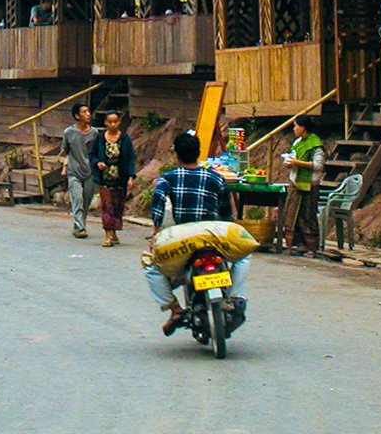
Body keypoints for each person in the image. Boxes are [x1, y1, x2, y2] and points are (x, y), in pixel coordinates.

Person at [145, 131, 249, 336]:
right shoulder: (215, 177)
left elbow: (158, 199)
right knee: (243, 258)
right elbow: (226, 211)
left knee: (151, 267)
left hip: (182, 237)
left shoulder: (169, 177)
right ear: (198, 153)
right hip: (212, 234)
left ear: (178, 155)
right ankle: (235, 296)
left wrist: (156, 230)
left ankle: (175, 310)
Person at [89, 111, 136, 247]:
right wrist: (98, 163)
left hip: (120, 178)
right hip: (104, 178)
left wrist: (131, 177)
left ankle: (114, 232)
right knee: (107, 206)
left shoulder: (125, 139)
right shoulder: (99, 138)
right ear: (105, 123)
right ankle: (108, 236)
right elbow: (92, 155)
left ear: (119, 123)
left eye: (115, 122)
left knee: (117, 206)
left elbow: (130, 159)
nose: (113, 124)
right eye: (110, 122)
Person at [282, 115, 326, 256]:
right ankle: (299, 244)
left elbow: (318, 166)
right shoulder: (297, 143)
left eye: (296, 126)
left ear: (303, 127)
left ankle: (312, 247)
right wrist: (289, 163)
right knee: (293, 214)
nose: (294, 129)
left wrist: (298, 163)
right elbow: (292, 156)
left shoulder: (315, 145)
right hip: (296, 183)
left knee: (308, 215)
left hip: (309, 185)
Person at [59, 103, 99, 239]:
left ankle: (80, 224)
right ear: (77, 116)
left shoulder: (94, 133)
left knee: (87, 200)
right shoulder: (69, 132)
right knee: (77, 198)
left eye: (88, 111)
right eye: (84, 112)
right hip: (74, 171)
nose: (88, 114)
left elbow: (97, 152)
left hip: (90, 172)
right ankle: (80, 227)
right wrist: (65, 167)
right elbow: (65, 151)